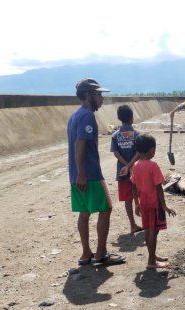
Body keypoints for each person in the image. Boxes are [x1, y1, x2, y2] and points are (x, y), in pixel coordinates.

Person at [68, 78, 126, 266]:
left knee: (84, 212)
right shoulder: (87, 116)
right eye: (99, 94)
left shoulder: (74, 116)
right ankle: (101, 253)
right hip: (89, 174)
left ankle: (86, 254)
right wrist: (83, 173)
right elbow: (80, 144)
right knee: (106, 209)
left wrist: (77, 173)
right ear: (88, 95)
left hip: (75, 175)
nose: (102, 99)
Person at [130, 134, 176, 269]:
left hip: (144, 203)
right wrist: (164, 206)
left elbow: (133, 186)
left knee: (149, 230)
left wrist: (136, 204)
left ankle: (153, 255)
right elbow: (159, 187)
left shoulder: (136, 165)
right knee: (153, 231)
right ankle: (151, 261)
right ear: (151, 150)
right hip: (154, 204)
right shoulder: (153, 165)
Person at [110, 105, 143, 234]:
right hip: (137, 169)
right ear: (131, 118)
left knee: (127, 199)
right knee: (141, 194)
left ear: (119, 118)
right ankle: (145, 220)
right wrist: (131, 165)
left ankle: (132, 224)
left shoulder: (115, 135)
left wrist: (126, 165)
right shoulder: (137, 134)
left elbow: (116, 153)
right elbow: (139, 152)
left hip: (122, 171)